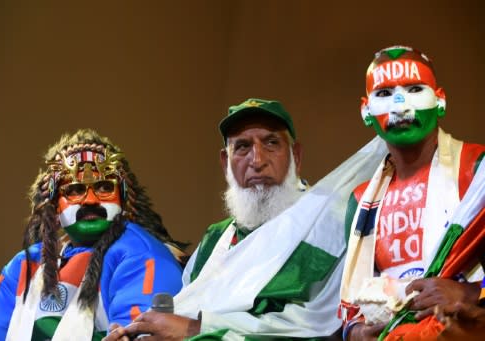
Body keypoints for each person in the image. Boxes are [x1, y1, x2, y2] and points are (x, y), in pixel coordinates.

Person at [103, 98, 369, 340]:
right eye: (242, 147)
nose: (257, 160)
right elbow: (183, 311)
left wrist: (195, 330)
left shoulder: (330, 225)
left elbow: (320, 326)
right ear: (225, 162)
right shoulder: (214, 240)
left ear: (296, 156)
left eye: (271, 143)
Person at [0, 129, 186, 341]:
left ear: (125, 201)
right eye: (75, 190)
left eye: (105, 187)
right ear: (53, 207)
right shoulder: (22, 266)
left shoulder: (141, 254)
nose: (91, 200)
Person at [339, 46, 485, 341]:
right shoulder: (360, 201)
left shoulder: (478, 169)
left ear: (440, 100)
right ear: (366, 111)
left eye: (415, 89)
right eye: (384, 94)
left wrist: (469, 291)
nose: (400, 106)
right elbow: (349, 305)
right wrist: (355, 333)